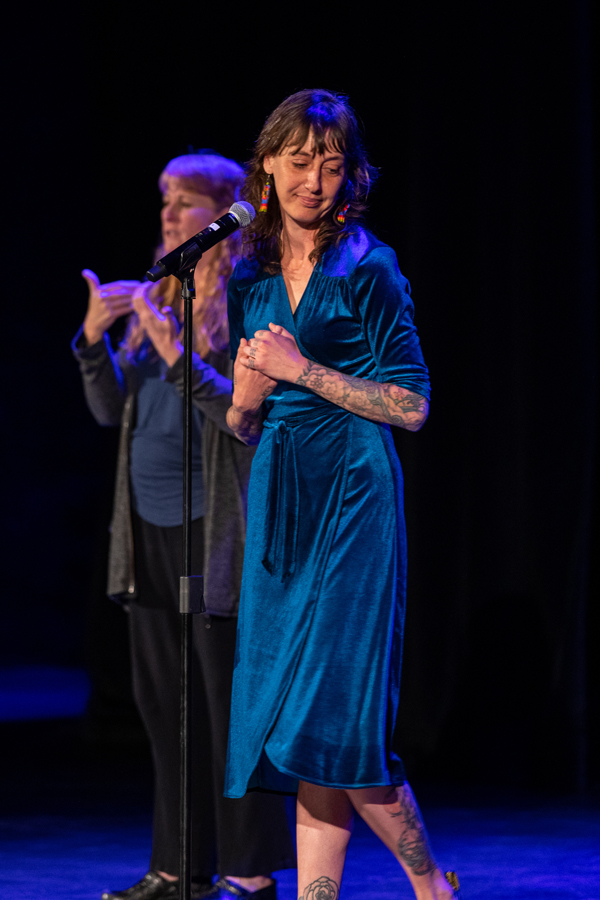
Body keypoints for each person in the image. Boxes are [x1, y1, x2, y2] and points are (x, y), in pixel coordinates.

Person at [224, 91, 461, 900]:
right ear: (267, 165)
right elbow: (246, 419)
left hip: (355, 499)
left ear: (350, 175)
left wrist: (304, 372)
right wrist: (246, 402)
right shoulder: (248, 272)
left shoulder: (370, 267)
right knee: (301, 722)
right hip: (281, 497)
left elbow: (414, 404)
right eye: (299, 162)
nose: (313, 181)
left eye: (331, 165)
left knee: (342, 716)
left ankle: (431, 885)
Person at [72, 152, 295, 900]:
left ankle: (250, 870)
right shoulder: (161, 292)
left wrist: (176, 355)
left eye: (185, 203)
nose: (168, 216)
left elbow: (247, 422)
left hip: (217, 530)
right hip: (148, 525)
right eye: (164, 201)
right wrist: (93, 341)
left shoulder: (246, 298)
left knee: (227, 708)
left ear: (225, 212)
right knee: (164, 706)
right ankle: (176, 865)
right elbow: (111, 414)